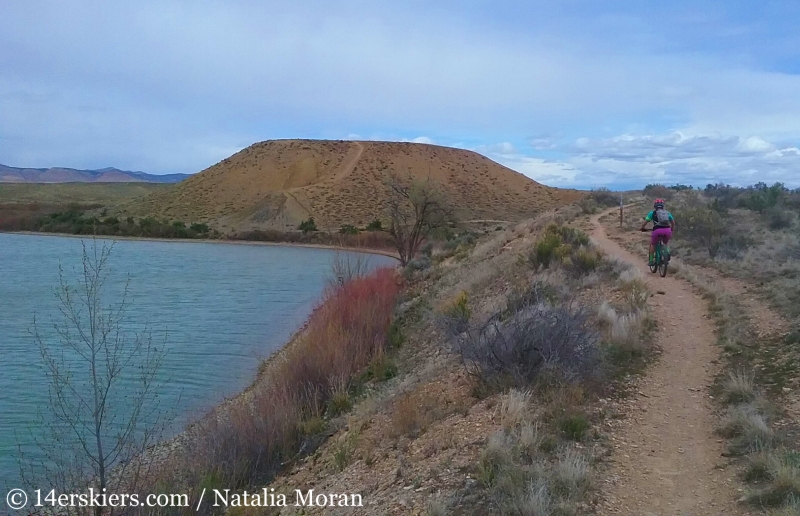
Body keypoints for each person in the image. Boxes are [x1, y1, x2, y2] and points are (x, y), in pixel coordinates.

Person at [639, 199, 675, 265]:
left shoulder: (652, 213)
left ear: (655, 206)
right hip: (667, 230)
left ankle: (651, 261)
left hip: (657, 231)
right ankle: (667, 252)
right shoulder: (667, 213)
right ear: (662, 206)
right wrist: (671, 229)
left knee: (653, 244)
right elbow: (673, 222)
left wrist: (642, 228)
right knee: (665, 242)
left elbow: (645, 222)